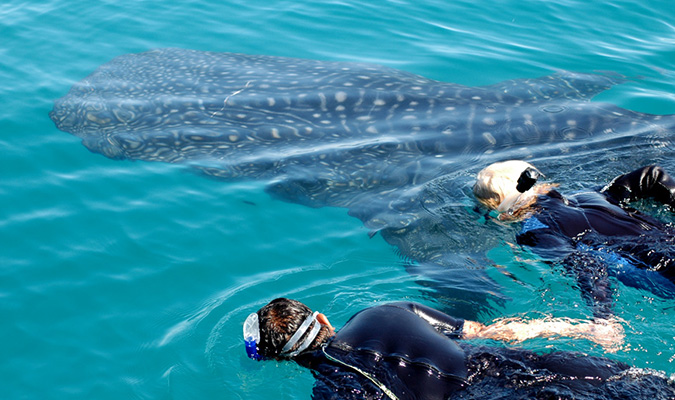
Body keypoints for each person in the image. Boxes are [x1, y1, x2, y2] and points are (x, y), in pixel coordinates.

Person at [242, 298, 673, 399]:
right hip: (512, 365)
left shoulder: (331, 392)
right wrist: (575, 328)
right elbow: (493, 332)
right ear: (320, 321)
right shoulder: (387, 311)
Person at [473, 161, 675, 318]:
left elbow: (584, 262)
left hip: (663, 267)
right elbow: (652, 174)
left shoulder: (536, 231)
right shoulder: (592, 194)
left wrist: (603, 316)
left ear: (498, 209)